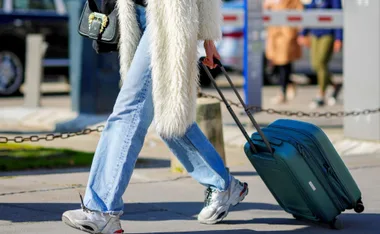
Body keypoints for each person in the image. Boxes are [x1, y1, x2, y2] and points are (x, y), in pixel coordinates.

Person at [61, 1, 249, 233]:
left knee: (129, 110)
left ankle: (101, 209)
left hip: (169, 15)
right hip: (134, 11)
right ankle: (224, 185)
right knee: (168, 113)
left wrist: (208, 38)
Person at [297, 0, 343, 109]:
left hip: (328, 33)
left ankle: (321, 96)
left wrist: (339, 38)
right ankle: (335, 85)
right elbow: (309, 14)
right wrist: (303, 33)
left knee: (321, 63)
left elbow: (338, 15)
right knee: (315, 65)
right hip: (315, 33)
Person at [264, 0, 304, 104]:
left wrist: (300, 32)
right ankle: (289, 84)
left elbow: (300, 13)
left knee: (284, 63)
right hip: (274, 33)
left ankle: (283, 92)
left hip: (286, 33)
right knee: (275, 63)